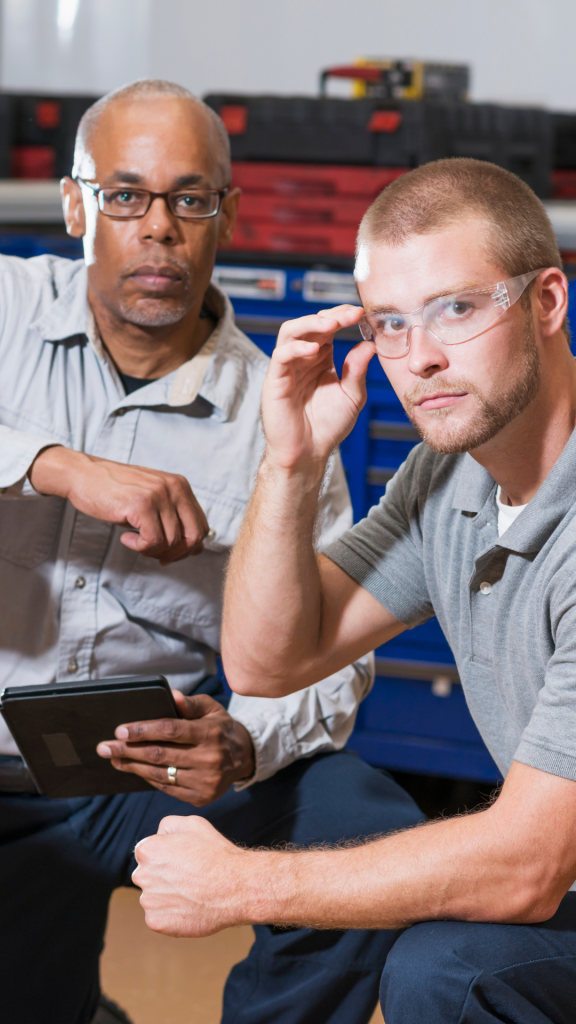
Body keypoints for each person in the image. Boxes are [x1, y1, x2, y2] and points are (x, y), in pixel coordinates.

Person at [0, 79, 425, 1024]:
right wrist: (55, 466)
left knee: (360, 835)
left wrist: (242, 742)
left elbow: (330, 647)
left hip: (140, 780)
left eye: (190, 199)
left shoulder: (276, 421)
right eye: (125, 195)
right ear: (74, 205)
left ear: (225, 217)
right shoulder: (5, 306)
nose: (160, 228)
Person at [134, 158, 576, 1024]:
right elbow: (267, 662)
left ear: (548, 302)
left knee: (450, 968)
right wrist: (290, 463)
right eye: (391, 324)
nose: (422, 359)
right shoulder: (446, 480)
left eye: (458, 308)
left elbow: (526, 866)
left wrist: (241, 884)